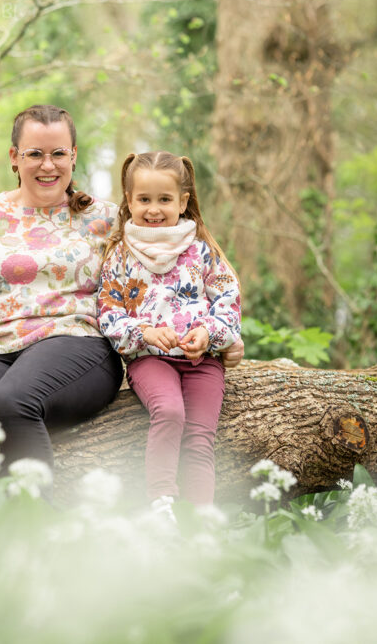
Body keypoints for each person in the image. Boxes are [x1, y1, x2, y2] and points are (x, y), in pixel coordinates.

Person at [0, 105, 245, 479]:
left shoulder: (108, 219)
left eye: (59, 153)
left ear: (73, 156)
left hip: (76, 344)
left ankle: (35, 525)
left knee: (11, 404)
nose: (48, 165)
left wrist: (221, 336)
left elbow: (178, 272)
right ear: (14, 157)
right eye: (35, 154)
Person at [97, 151, 241, 519]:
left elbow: (227, 297)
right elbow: (109, 313)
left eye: (164, 199)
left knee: (199, 437)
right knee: (170, 411)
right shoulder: (120, 255)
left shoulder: (201, 251)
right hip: (150, 360)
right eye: (144, 199)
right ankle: (161, 502)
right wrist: (143, 332)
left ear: (183, 201)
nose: (154, 209)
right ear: (129, 201)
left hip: (201, 362)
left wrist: (210, 333)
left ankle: (201, 518)